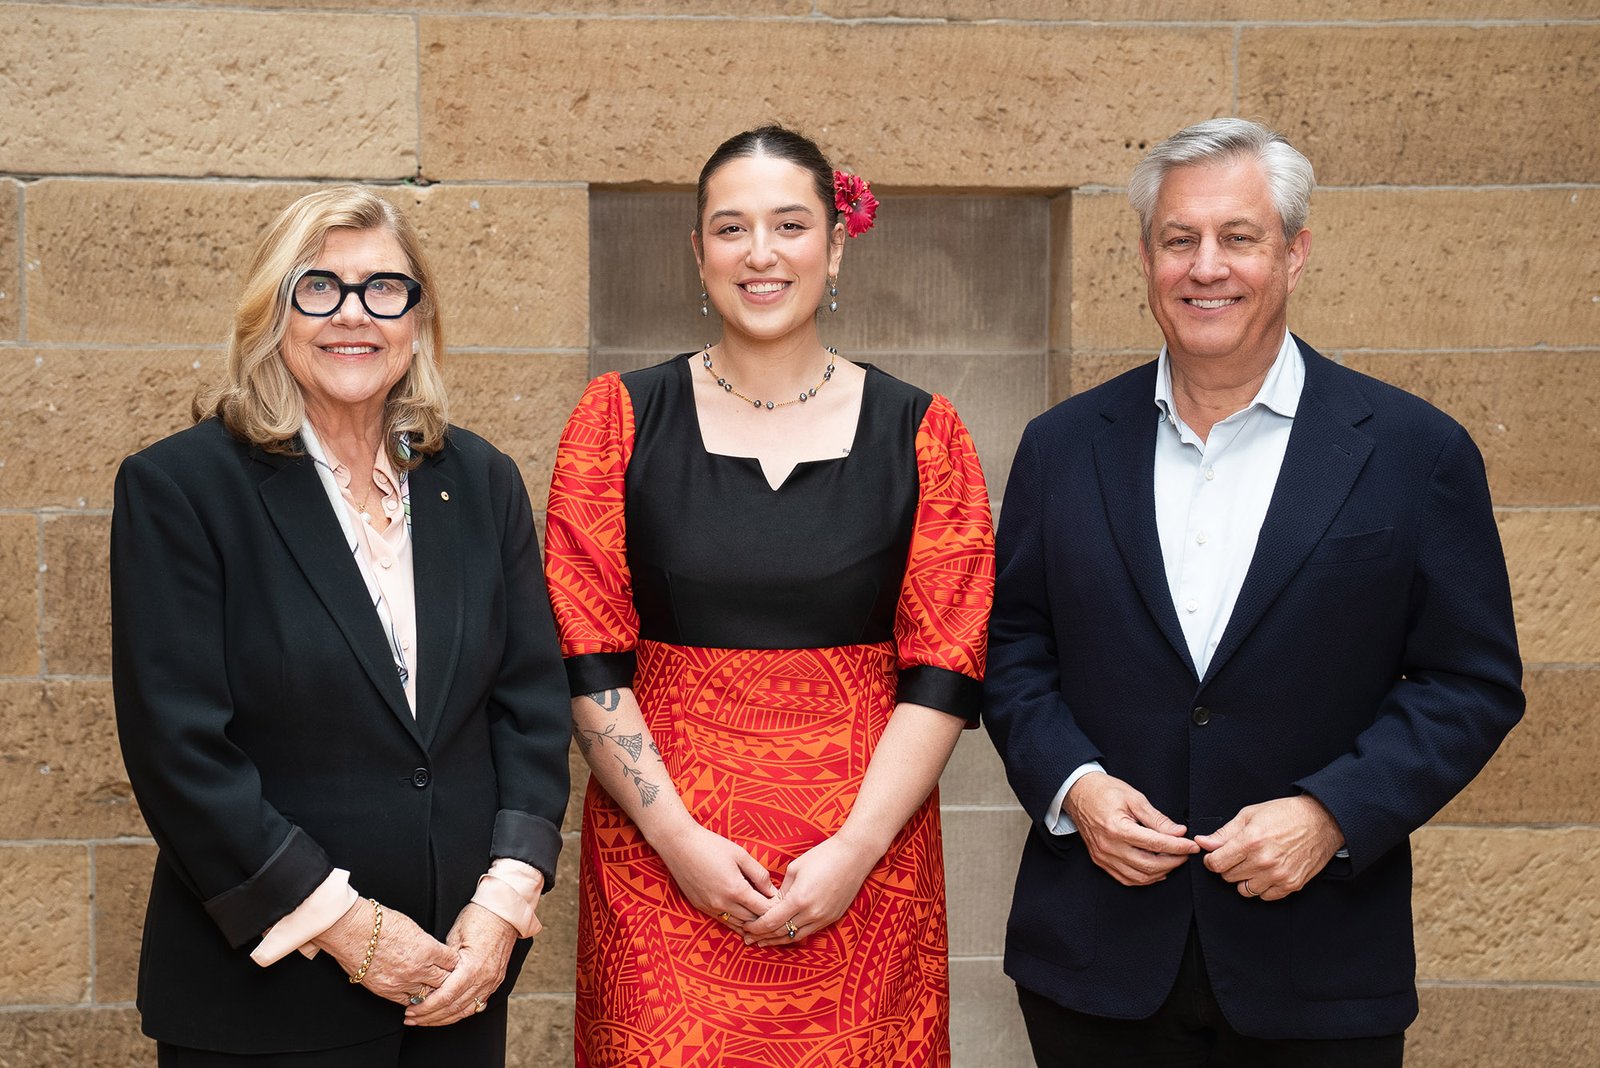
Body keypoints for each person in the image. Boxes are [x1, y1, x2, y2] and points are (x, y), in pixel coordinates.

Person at [983, 118, 1524, 1066]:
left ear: (1295, 253)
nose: (1207, 268)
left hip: (1318, 971)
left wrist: (1333, 812)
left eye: (1240, 238)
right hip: (1096, 967)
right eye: (1179, 240)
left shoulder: (1414, 454)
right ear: (1147, 258)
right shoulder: (1062, 448)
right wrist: (1077, 787)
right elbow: (1014, 650)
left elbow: (1469, 683)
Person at [544, 125, 993, 1066]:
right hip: (662, 871)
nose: (759, 254)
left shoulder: (926, 432)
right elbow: (583, 651)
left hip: (861, 873)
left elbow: (947, 666)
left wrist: (856, 850)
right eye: (730, 228)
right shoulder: (616, 420)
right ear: (697, 251)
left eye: (789, 225)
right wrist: (675, 839)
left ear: (835, 244)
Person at [110, 186, 571, 1066]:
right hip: (268, 999)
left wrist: (504, 904)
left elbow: (531, 713)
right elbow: (180, 754)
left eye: (383, 289)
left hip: (455, 982)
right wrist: (354, 931)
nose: (352, 315)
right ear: (272, 314)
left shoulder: (478, 481)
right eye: (318, 288)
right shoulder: (183, 489)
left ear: (417, 317)